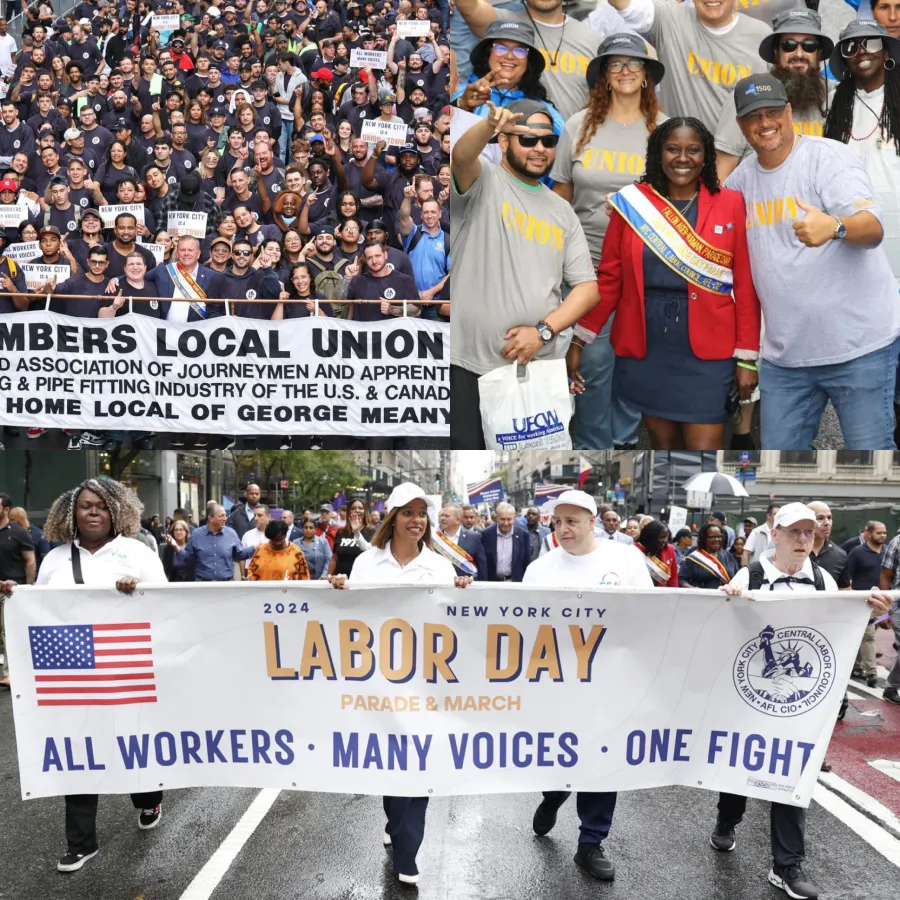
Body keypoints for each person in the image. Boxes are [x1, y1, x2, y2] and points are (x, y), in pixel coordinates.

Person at [717, 502, 894, 900]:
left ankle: (787, 866)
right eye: (793, 532)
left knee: (791, 777)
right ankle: (727, 820)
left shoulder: (822, 581)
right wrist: (728, 598)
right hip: (748, 697)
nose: (802, 539)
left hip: (799, 703)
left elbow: (838, 631)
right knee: (738, 767)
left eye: (808, 533)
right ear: (774, 534)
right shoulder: (751, 575)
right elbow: (721, 627)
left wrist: (870, 615)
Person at [724, 73, 900, 449]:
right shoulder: (739, 182)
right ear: (741, 125)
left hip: (859, 348)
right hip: (786, 358)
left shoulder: (827, 158)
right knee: (779, 457)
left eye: (773, 112)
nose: (765, 124)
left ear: (789, 112)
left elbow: (872, 228)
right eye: (754, 117)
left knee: (873, 455)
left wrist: (834, 226)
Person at [0, 478, 167, 872]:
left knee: (132, 745)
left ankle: (148, 799)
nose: (93, 512)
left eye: (101, 506)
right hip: (74, 674)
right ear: (71, 514)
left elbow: (166, 602)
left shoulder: (136, 552)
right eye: (85, 506)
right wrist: (14, 595)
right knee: (79, 753)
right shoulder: (56, 558)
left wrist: (139, 589)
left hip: (126, 671)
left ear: (116, 512)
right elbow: (40, 608)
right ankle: (81, 842)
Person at [568, 116, 760, 450]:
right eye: (672, 149)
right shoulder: (633, 205)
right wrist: (580, 339)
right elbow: (610, 280)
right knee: (663, 446)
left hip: (709, 349)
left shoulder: (730, 203)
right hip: (647, 341)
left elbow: (744, 285)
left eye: (693, 150)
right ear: (658, 153)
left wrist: (746, 359)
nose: (682, 158)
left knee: (704, 448)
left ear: (706, 156)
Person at [328, 482, 472, 886]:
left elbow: (456, 623)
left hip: (425, 684)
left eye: (421, 514)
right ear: (391, 518)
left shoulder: (441, 566)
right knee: (393, 763)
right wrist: (339, 591)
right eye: (407, 513)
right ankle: (395, 825)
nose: (416, 520)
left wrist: (462, 592)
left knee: (419, 762)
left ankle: (408, 852)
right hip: (378, 684)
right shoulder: (367, 563)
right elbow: (350, 617)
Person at [450, 99, 598, 449]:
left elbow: (588, 289)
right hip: (470, 365)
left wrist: (542, 333)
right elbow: (461, 156)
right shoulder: (484, 181)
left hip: (536, 367)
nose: (540, 149)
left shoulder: (562, 210)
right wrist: (489, 125)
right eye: (527, 140)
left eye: (548, 141)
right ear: (503, 142)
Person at [523, 490, 653, 882]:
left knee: (603, 760)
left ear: (592, 522)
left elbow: (652, 613)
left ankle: (590, 843)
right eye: (557, 522)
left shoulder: (625, 560)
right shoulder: (540, 569)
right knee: (562, 758)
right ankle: (553, 796)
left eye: (572, 521)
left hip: (610, 683)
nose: (563, 529)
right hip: (559, 684)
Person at [552, 33, 666, 450]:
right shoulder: (577, 126)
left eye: (634, 64)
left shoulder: (663, 129)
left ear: (647, 75)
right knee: (593, 360)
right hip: (586, 264)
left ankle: (622, 439)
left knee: (633, 358)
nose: (625, 71)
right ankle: (592, 445)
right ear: (602, 74)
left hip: (645, 264)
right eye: (615, 64)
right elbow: (561, 194)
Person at [606, 0, 770, 130]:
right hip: (679, 156)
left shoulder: (761, 35)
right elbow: (621, 3)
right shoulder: (669, 19)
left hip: (740, 160)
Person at [715, 9, 835, 181]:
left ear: (819, 54)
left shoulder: (834, 95)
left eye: (809, 46)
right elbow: (721, 173)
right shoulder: (747, 95)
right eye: (789, 45)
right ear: (775, 53)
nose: (799, 54)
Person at [165, 503, 256, 582]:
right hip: (203, 585)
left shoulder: (231, 533)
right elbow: (189, 558)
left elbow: (239, 554)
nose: (225, 518)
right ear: (210, 518)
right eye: (221, 516)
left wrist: (255, 548)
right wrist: (176, 547)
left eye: (225, 515)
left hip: (226, 584)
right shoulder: (197, 535)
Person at [0, 493, 35, 689]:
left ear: (6, 510)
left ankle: (10, 675)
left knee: (9, 633)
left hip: (11, 590)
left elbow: (30, 561)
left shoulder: (18, 532)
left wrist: (27, 588)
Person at [847, 520, 888, 688]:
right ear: (869, 533)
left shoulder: (887, 552)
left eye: (885, 533)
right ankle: (871, 672)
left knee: (863, 636)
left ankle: (856, 666)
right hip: (863, 602)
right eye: (879, 533)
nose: (883, 536)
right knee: (868, 636)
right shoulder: (857, 553)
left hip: (884, 601)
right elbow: (847, 576)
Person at [435, 503, 488, 578]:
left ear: (458, 520)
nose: (442, 518)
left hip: (466, 586)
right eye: (441, 515)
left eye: (446, 516)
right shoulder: (435, 538)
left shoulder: (474, 538)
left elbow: (482, 568)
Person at [481, 501, 530, 582]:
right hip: (492, 583)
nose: (506, 523)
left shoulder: (523, 535)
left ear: (514, 517)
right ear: (496, 517)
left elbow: (526, 561)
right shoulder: (486, 535)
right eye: (502, 519)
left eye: (509, 519)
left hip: (515, 583)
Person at [679, 522, 737, 588]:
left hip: (726, 597)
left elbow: (738, 578)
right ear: (704, 538)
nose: (717, 539)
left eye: (719, 536)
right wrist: (693, 589)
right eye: (712, 537)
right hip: (702, 597)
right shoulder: (694, 558)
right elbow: (682, 580)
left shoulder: (728, 556)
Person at [808, 501, 851, 589]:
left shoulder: (840, 555)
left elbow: (845, 591)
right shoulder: (795, 551)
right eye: (820, 518)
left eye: (829, 518)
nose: (827, 523)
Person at [879, 529, 900, 704]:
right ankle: (892, 686)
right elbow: (886, 576)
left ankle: (892, 686)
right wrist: (886, 609)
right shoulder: (897, 542)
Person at [326, 498, 371, 578]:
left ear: (365, 511)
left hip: (361, 580)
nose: (357, 510)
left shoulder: (372, 532)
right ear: (349, 512)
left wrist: (356, 531)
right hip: (339, 581)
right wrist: (329, 575)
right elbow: (334, 558)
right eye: (353, 508)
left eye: (360, 508)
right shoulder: (341, 532)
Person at [635, 519, 678, 586]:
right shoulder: (635, 550)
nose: (665, 540)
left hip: (663, 594)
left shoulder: (669, 549)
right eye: (662, 537)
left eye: (667, 537)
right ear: (652, 538)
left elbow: (673, 579)